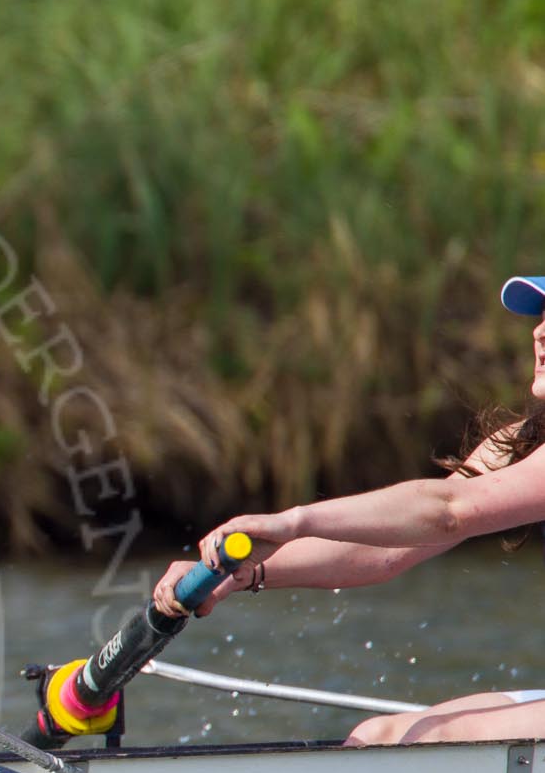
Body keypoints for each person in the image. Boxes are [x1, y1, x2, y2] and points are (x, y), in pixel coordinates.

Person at [153, 274, 545, 747]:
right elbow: (388, 551)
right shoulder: (522, 441)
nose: (538, 333)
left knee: (435, 740)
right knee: (374, 737)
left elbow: (450, 510)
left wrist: (295, 522)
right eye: (540, 318)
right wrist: (233, 573)